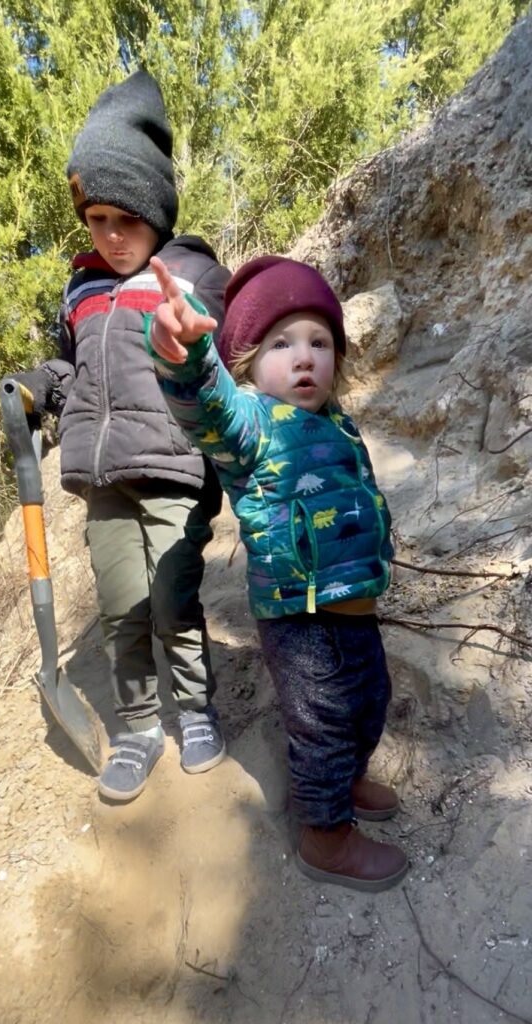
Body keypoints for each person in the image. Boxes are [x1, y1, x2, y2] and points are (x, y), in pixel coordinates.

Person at [144, 252, 409, 891]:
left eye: (320, 342)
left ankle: (345, 780)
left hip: (355, 605)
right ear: (248, 364)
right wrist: (186, 359)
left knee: (369, 702)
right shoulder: (253, 423)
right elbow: (208, 409)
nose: (304, 356)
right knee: (319, 720)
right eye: (282, 342)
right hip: (299, 616)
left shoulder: (341, 427)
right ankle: (325, 836)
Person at [5, 70, 230, 802]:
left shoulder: (192, 272)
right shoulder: (80, 289)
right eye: (96, 218)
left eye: (125, 218)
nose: (110, 234)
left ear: (156, 211)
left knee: (171, 597)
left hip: (173, 466)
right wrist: (41, 382)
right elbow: (74, 368)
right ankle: (138, 727)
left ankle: (194, 709)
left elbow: (218, 356)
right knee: (121, 607)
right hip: (102, 478)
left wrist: (187, 340)